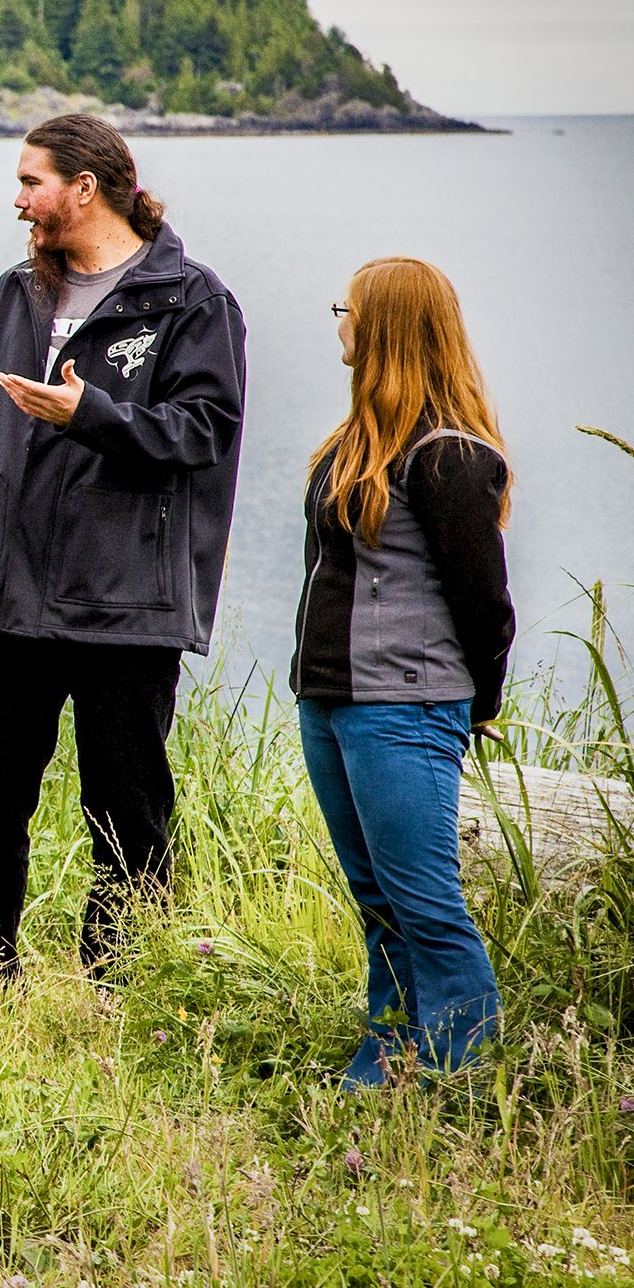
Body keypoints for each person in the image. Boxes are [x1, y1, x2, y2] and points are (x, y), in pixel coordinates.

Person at [0, 114, 247, 1019]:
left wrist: (89, 414)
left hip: (124, 606)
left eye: (30, 183)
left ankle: (127, 990)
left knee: (125, 812)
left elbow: (202, 432)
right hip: (4, 598)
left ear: (85, 186)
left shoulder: (189, 302)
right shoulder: (15, 294)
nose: (17, 201)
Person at [292, 258, 512, 1085]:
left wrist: (478, 701)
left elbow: (484, 600)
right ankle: (387, 1059)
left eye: (344, 306)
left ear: (383, 325)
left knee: (424, 903)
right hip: (335, 699)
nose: (337, 318)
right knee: (378, 899)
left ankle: (462, 1077)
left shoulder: (450, 454)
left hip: (405, 702)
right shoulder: (358, 442)